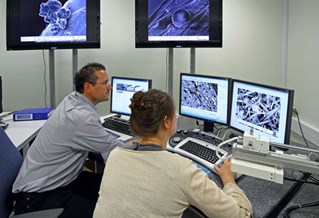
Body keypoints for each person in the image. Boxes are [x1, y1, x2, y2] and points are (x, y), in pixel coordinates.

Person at [93, 89, 253, 218]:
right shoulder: (180, 169)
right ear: (166, 122)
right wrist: (228, 180)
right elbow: (241, 215)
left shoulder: (115, 155)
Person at [12, 62, 125, 217]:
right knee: (107, 210)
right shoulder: (81, 118)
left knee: (110, 188)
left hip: (59, 181)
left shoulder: (72, 100)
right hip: (40, 197)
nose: (110, 87)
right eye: (105, 83)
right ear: (88, 87)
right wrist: (145, 141)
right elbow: (116, 148)